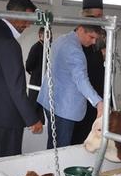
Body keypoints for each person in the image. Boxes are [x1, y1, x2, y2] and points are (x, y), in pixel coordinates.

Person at [0, 0, 43, 160]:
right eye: (27, 19)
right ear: (15, 14)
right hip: (6, 115)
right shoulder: (9, 43)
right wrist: (32, 119)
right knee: (9, 161)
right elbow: (16, 86)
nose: (29, 24)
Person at [38, 17, 104, 148]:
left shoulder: (61, 39)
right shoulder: (75, 52)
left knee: (53, 143)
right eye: (91, 37)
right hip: (64, 108)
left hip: (50, 101)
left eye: (96, 39)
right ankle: (57, 168)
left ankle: (49, 167)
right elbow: (81, 80)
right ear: (80, 29)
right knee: (61, 149)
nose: (93, 42)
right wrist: (98, 102)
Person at [71, 0, 106, 145]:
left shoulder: (99, 35)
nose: (100, 19)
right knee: (80, 131)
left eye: (100, 16)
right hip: (83, 91)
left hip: (97, 87)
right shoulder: (77, 37)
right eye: (96, 17)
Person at [25, 27, 50, 124]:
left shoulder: (50, 47)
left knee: (45, 106)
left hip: (47, 81)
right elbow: (29, 65)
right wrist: (35, 72)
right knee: (34, 105)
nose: (49, 36)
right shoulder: (35, 47)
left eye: (50, 34)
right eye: (47, 34)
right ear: (40, 36)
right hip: (36, 81)